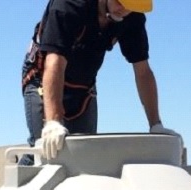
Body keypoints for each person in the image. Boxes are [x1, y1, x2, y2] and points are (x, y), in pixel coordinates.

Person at [20, 0, 180, 164]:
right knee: (45, 151)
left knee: (84, 154)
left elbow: (143, 71)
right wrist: (53, 122)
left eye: (130, 7)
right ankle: (21, 180)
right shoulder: (69, 5)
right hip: (42, 76)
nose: (123, 9)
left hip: (83, 86)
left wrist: (156, 125)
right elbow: (54, 63)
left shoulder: (132, 16)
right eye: (120, 2)